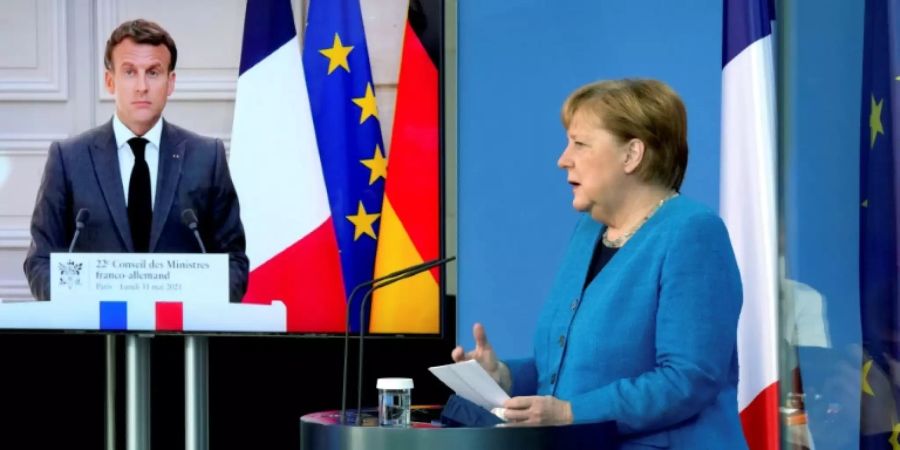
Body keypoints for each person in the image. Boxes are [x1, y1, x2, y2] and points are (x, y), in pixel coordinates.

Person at [452, 79, 748, 449]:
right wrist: (506, 378)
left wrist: (569, 414)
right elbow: (572, 370)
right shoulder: (588, 231)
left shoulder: (693, 232)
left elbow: (687, 379)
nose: (563, 159)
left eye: (579, 143)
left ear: (632, 155)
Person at [23, 19, 248, 302]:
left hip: (182, 340)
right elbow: (40, 261)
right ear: (110, 81)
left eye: (153, 73)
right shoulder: (68, 158)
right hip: (97, 338)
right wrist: (77, 306)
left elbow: (234, 263)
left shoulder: (207, 157)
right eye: (130, 72)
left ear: (171, 82)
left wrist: (198, 305)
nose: (142, 87)